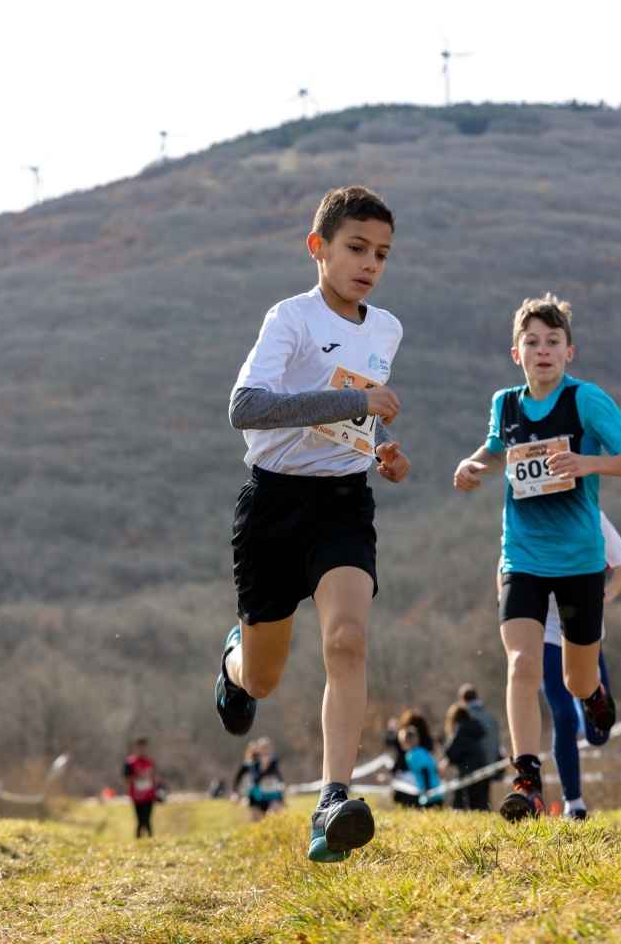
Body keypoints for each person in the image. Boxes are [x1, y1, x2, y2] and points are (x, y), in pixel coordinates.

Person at [214, 186, 411, 862]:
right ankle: (232, 663)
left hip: (342, 503)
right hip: (271, 506)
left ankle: (332, 801)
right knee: (262, 679)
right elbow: (246, 406)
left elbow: (354, 411)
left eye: (382, 253)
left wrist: (378, 444)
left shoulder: (387, 327)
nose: (370, 263)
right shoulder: (290, 318)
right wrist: (356, 398)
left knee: (348, 638)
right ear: (318, 247)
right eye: (356, 247)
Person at [454, 293, 621, 821]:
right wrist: (473, 466)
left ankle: (597, 694)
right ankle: (528, 780)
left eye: (552, 342)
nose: (542, 350)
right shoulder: (506, 403)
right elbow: (497, 450)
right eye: (532, 342)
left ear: (569, 351)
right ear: (516, 354)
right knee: (521, 662)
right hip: (521, 556)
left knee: (575, 682)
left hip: (582, 560)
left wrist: (585, 462)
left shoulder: (587, 400)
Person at [541, 510, 621, 820]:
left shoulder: (589, 512)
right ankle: (574, 804)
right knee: (563, 715)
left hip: (585, 634)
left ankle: (590, 700)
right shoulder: (525, 510)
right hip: (546, 634)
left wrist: (603, 598)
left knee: (598, 735)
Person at [457, 684, 503, 808]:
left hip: (471, 769)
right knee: (484, 802)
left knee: (470, 805)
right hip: (490, 766)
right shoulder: (492, 719)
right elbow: (499, 746)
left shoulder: (465, 719)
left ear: (463, 700)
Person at [384, 710, 434, 808]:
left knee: (406, 803)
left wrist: (391, 729)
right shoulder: (426, 739)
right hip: (421, 774)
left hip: (404, 774)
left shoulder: (403, 735)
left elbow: (388, 739)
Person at [441, 705, 487, 810]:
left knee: (463, 803)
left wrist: (448, 760)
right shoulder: (474, 728)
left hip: (468, 770)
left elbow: (450, 750)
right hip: (482, 766)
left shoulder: (460, 728)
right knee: (481, 803)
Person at [232, 736, 285, 821]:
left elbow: (278, 778)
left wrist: (282, 798)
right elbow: (254, 779)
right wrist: (262, 769)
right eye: (263, 748)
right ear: (259, 750)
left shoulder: (274, 761)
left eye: (267, 748)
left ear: (271, 749)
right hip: (258, 797)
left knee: (271, 818)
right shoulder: (254, 763)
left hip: (273, 796)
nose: (265, 751)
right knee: (257, 821)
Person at [399, 726, 444, 808]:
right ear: (418, 739)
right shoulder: (424, 751)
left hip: (429, 795)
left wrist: (427, 791)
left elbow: (424, 770)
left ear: (402, 743)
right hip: (437, 791)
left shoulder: (412, 755)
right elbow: (434, 768)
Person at [123, 735, 158, 839]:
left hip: (149, 795)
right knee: (140, 820)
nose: (141, 750)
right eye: (139, 748)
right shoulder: (130, 763)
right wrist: (138, 777)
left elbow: (154, 778)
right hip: (136, 796)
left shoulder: (150, 762)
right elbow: (126, 779)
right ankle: (140, 839)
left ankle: (150, 840)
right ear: (135, 748)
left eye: (143, 748)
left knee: (147, 818)